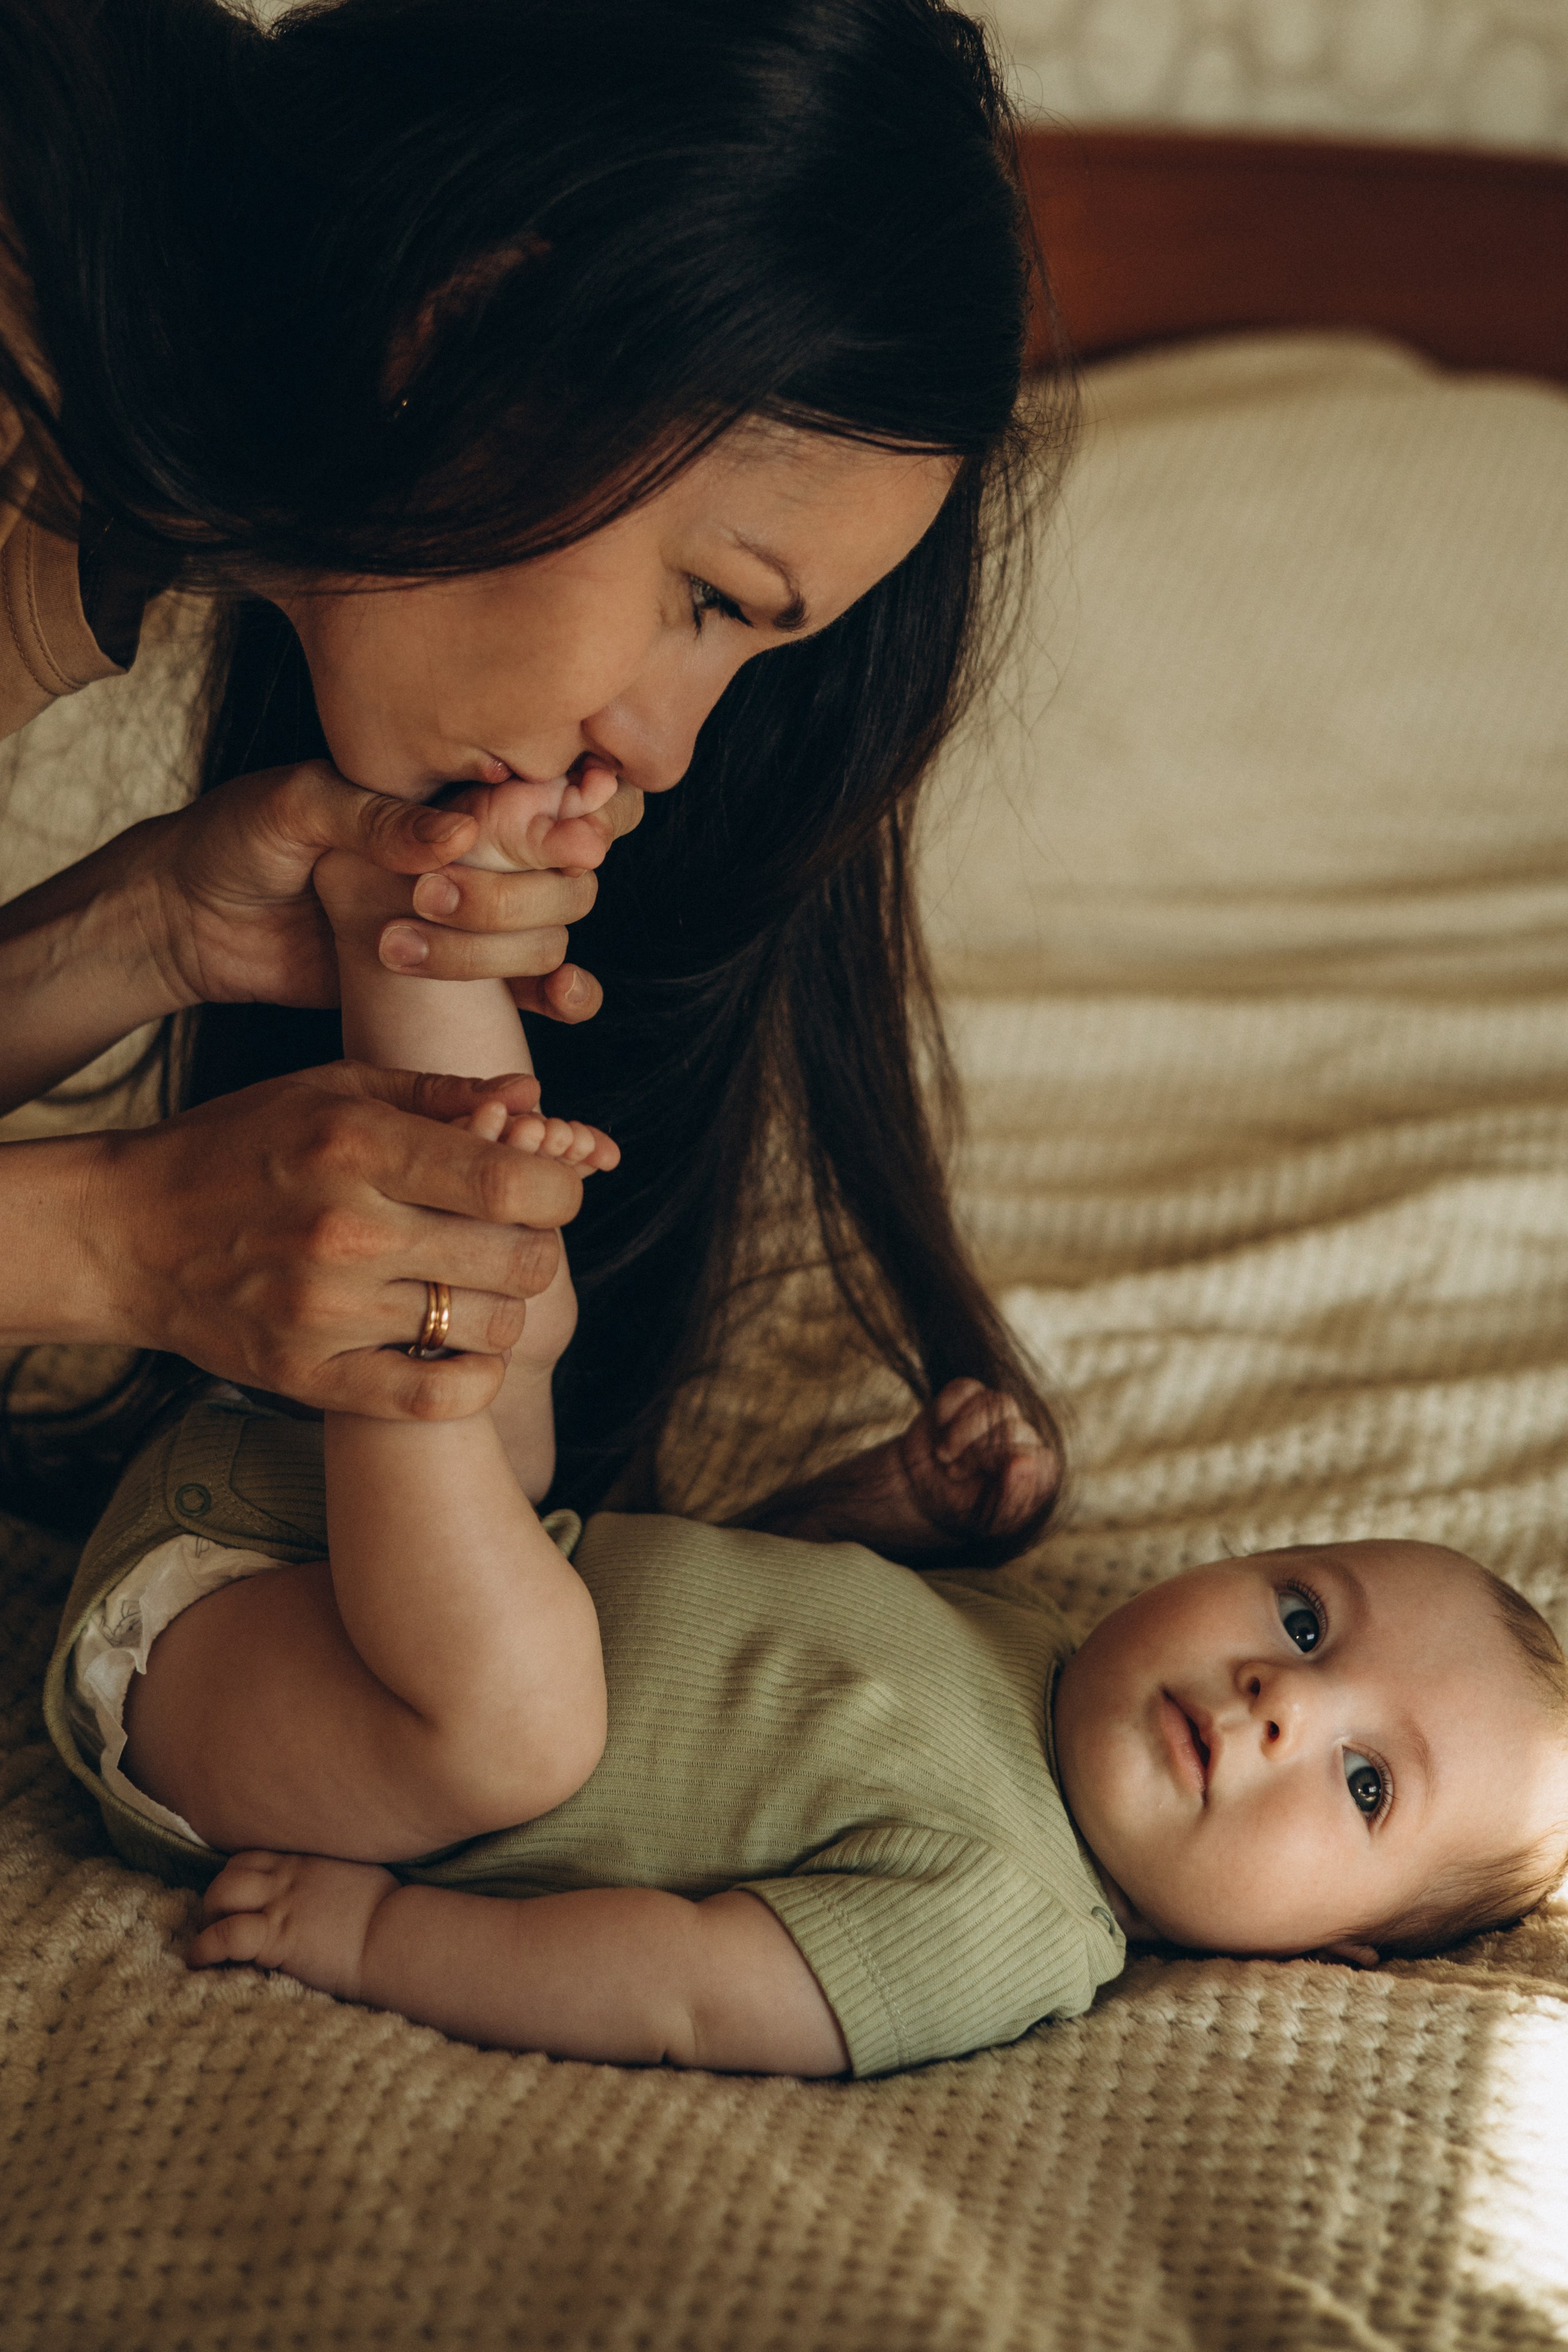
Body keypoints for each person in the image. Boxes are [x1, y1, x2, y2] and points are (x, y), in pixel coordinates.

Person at [42, 793, 1568, 2079]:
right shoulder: (1028, 1651)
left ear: (1343, 1951)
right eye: (1302, 1618)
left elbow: (681, 1985)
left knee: (528, 1708)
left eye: (1365, 1787)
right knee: (533, 1327)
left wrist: (377, 1939)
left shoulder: (1014, 1922)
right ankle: (415, 918)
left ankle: (428, 1250)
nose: (1279, 1704)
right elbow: (733, 1612)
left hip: (243, 1707)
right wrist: (886, 1502)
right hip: (316, 1521)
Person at [0, 0, 1072, 1548]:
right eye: (705, 601)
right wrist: (115, 1245)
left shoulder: (85, 512)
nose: (660, 754)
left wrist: (151, 929)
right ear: (481, 332)